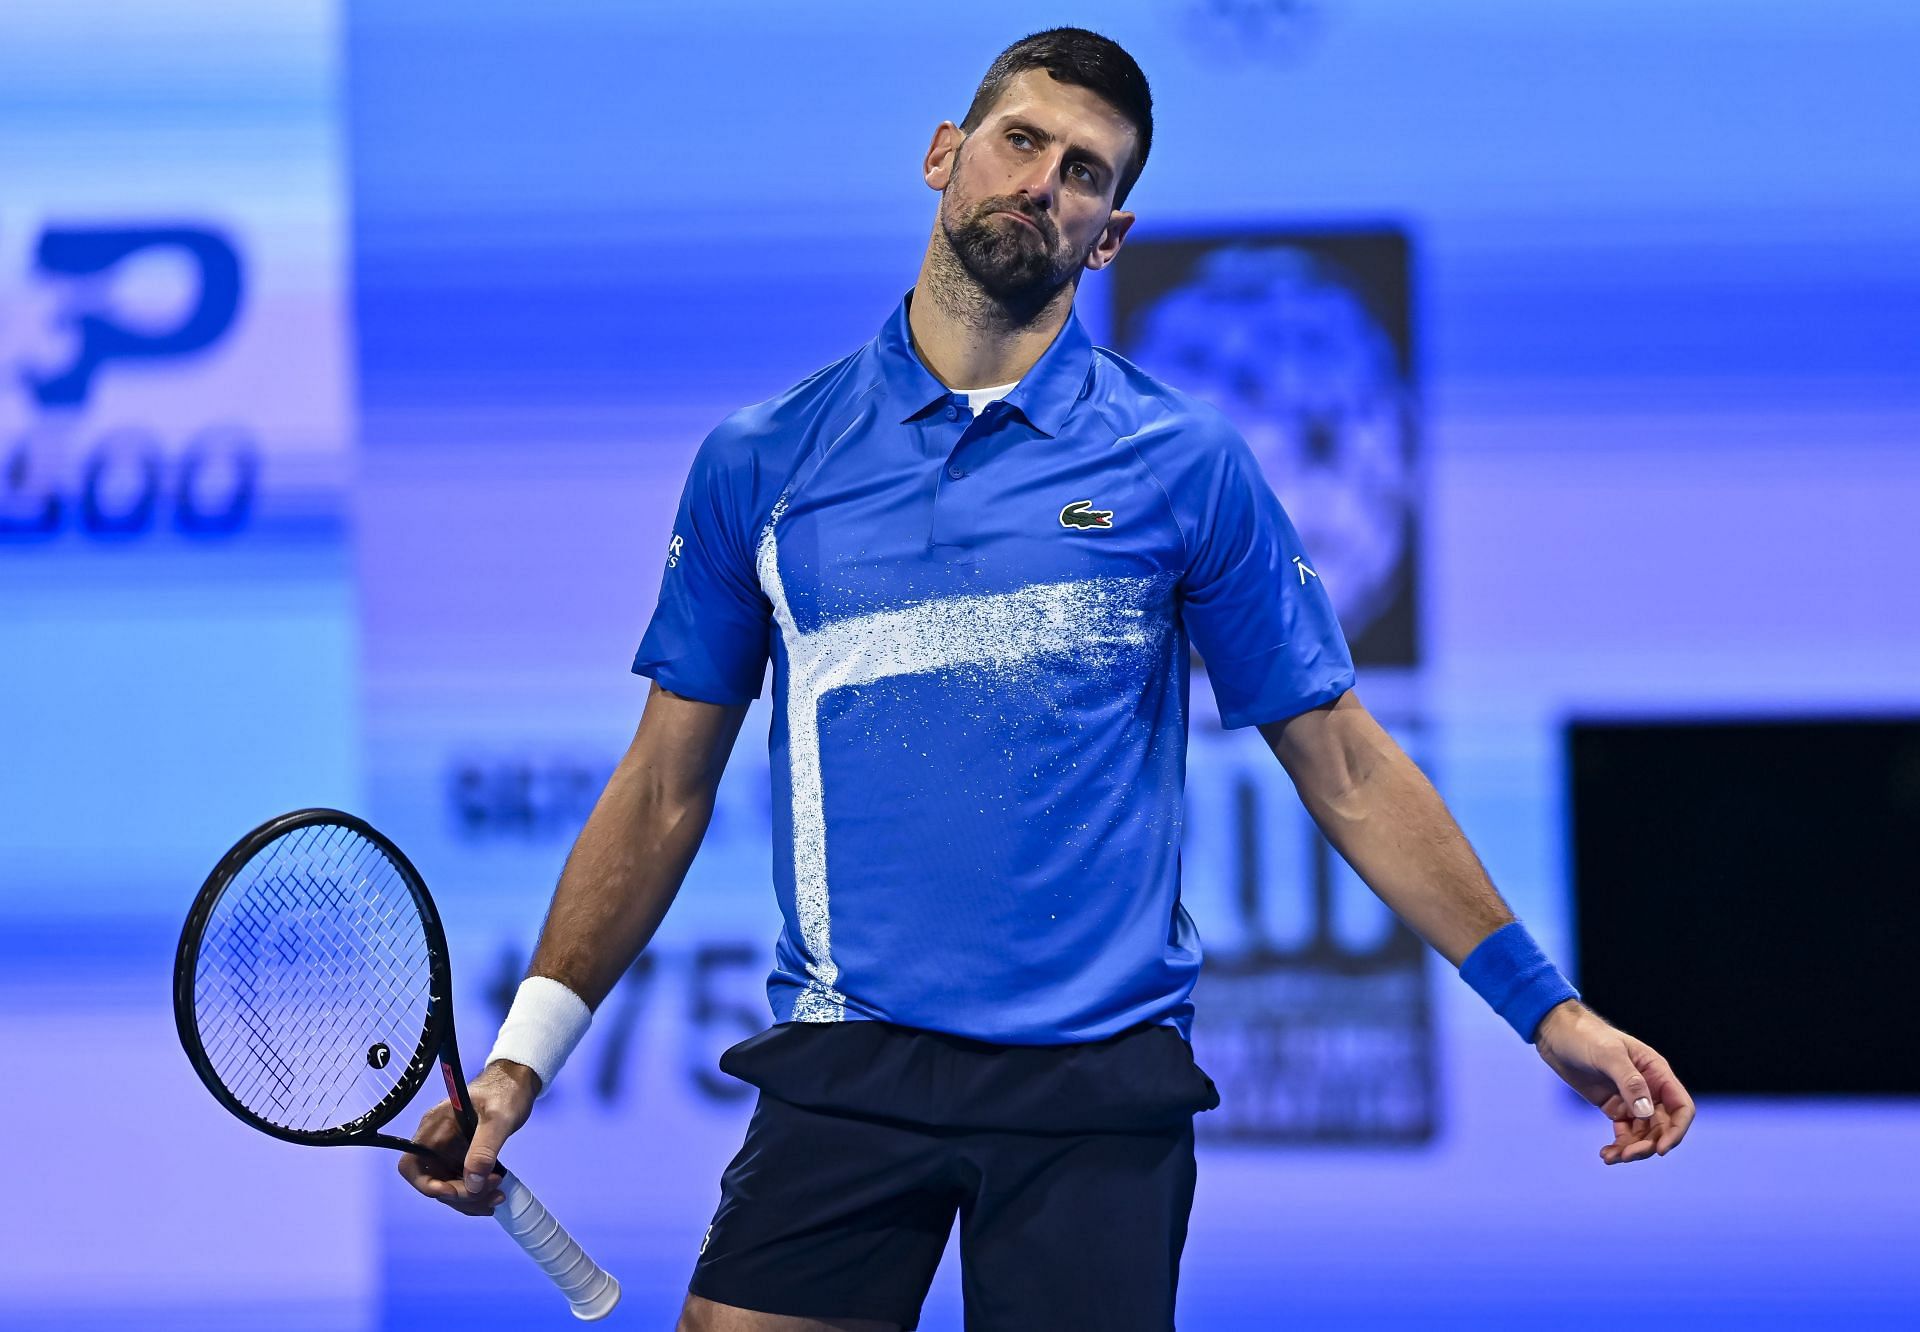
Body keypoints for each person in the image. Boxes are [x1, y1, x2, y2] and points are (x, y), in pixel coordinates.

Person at [399, 26, 1696, 1331]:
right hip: (849, 1064)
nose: (1043, 182)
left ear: (1110, 233)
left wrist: (1550, 1011)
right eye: (1022, 141)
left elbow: (1347, 765)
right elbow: (662, 792)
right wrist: (517, 1072)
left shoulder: (1183, 466)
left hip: (1096, 1088)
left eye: (1086, 171)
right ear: (944, 155)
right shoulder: (761, 463)